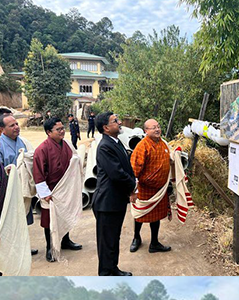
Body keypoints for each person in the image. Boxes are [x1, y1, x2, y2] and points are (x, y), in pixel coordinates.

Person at [32, 117, 83, 262]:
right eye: (58, 129)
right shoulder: (42, 149)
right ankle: (50, 247)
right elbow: (38, 173)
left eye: (63, 128)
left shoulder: (66, 144)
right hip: (51, 191)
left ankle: (65, 241)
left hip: (66, 188)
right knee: (49, 220)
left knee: (66, 214)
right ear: (48, 132)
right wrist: (45, 193)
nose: (62, 131)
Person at [92, 112, 136, 276]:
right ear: (105, 128)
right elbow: (117, 173)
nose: (119, 123)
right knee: (107, 242)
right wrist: (134, 186)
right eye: (115, 121)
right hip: (107, 203)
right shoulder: (105, 146)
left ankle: (113, 269)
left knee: (112, 239)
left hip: (115, 200)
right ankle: (106, 274)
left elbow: (126, 167)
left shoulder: (116, 142)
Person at [129, 119, 174, 254]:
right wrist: (133, 189)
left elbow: (168, 159)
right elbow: (134, 169)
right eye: (153, 128)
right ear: (146, 131)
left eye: (158, 126)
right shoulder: (142, 146)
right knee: (140, 215)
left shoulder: (163, 144)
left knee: (156, 217)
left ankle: (154, 243)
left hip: (160, 189)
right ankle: (136, 238)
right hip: (145, 189)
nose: (157, 129)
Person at [0, 114, 37, 256]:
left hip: (23, 188)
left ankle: (23, 247)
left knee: (22, 219)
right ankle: (9, 251)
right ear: (2, 129)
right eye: (12, 125)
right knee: (8, 220)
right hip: (7, 190)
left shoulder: (23, 142)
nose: (16, 127)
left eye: (16, 124)